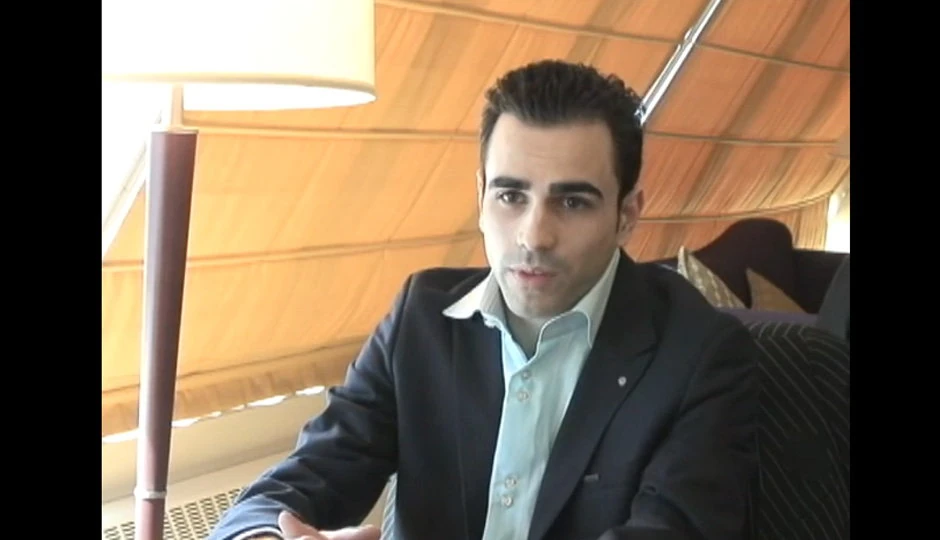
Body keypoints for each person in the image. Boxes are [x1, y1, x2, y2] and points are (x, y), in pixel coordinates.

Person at [209, 59, 761, 540]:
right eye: (511, 195)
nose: (533, 235)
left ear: (627, 215)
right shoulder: (421, 317)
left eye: (572, 202)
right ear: (480, 197)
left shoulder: (701, 356)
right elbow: (305, 476)